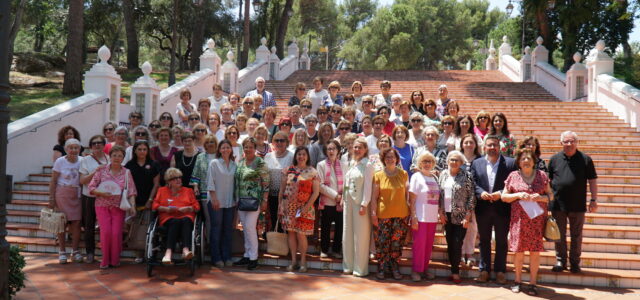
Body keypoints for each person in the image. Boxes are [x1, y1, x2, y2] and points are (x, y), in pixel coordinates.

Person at [501, 149, 553, 295]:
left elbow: (551, 195)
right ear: (519, 161)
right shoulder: (513, 176)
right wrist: (517, 194)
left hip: (536, 220)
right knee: (518, 252)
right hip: (519, 221)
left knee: (535, 252)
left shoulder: (542, 176)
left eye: (529, 158)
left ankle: (533, 283)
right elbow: (504, 197)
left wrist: (540, 197)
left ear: (534, 161)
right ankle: (517, 281)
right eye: (523, 159)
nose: (526, 161)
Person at [548, 131, 598, 274]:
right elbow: (548, 181)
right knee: (559, 234)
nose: (569, 144)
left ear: (577, 142)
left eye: (572, 141)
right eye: (566, 141)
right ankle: (560, 261)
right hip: (558, 204)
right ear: (561, 143)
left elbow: (592, 180)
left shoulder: (586, 159)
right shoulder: (554, 159)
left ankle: (575, 263)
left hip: (578, 204)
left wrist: (593, 199)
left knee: (576, 235)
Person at [469, 135, 517, 284]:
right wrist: (480, 192)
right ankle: (484, 270)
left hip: (502, 208)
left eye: (495, 145)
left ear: (500, 146)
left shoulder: (510, 163)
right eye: (489, 145)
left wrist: (501, 193)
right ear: (484, 147)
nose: (492, 148)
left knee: (502, 240)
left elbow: (514, 182)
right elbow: (473, 182)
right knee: (484, 240)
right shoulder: (476, 163)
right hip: (483, 208)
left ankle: (500, 271)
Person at [88, 145, 137, 269]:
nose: (116, 158)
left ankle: (115, 260)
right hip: (102, 206)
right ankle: (105, 260)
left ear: (123, 158)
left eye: (120, 156)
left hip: (118, 207)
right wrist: (101, 193)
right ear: (110, 156)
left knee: (116, 233)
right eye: (114, 155)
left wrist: (133, 206)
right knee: (106, 232)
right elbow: (91, 188)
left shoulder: (127, 172)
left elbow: (131, 191)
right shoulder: (101, 170)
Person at [279, 146, 320, 272]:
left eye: (303, 154)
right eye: (299, 154)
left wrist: (306, 207)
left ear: (307, 156)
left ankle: (303, 261)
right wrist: (280, 205)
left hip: (303, 208)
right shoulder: (288, 170)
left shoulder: (313, 172)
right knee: (291, 233)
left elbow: (316, 193)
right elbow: (282, 189)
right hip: (289, 207)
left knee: (301, 234)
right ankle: (293, 261)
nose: (301, 157)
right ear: (295, 156)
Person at [371, 148, 410, 280]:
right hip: (383, 215)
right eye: (387, 157)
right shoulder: (378, 175)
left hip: (401, 214)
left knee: (397, 242)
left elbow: (408, 195)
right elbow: (374, 196)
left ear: (397, 159)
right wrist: (373, 213)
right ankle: (382, 266)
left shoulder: (404, 174)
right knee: (382, 242)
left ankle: (394, 266)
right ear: (383, 159)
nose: (390, 159)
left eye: (392, 157)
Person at [438, 151, 475, 284]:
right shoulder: (443, 174)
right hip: (446, 216)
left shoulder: (466, 176)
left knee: (457, 243)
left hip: (461, 216)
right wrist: (441, 213)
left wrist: (468, 215)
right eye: (451, 159)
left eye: (456, 160)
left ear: (461, 162)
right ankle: (454, 270)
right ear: (448, 161)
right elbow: (439, 195)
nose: (453, 162)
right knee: (449, 243)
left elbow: (471, 196)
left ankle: (456, 273)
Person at [233, 138, 270, 270]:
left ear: (255, 148)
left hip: (255, 201)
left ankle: (254, 258)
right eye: (246, 147)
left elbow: (266, 183)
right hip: (242, 201)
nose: (248, 149)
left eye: (250, 147)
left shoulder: (260, 162)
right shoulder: (241, 162)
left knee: (249, 227)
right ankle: (247, 255)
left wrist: (265, 200)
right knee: (245, 228)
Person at [152, 168, 200, 264]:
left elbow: (197, 207)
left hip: (186, 216)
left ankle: (185, 250)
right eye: (174, 178)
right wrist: (166, 209)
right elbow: (154, 205)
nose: (178, 180)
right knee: (175, 221)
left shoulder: (188, 191)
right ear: (169, 181)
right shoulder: (162, 191)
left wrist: (188, 208)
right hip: (168, 218)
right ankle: (168, 252)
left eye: (179, 178)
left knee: (185, 220)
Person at [342, 137, 374, 277]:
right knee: (347, 234)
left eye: (360, 147)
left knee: (360, 236)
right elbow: (346, 183)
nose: (357, 150)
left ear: (365, 149)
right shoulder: (351, 162)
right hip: (348, 202)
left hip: (360, 204)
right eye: (355, 147)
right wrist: (343, 198)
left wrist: (364, 204)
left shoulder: (367, 165)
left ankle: (360, 268)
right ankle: (348, 266)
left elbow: (368, 187)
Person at [124, 140, 160, 262]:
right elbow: (127, 184)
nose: (142, 152)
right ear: (135, 151)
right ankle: (138, 253)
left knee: (147, 228)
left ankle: (149, 252)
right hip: (133, 201)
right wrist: (130, 201)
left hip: (148, 201)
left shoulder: (153, 164)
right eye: (139, 149)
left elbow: (156, 184)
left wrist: (150, 199)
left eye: (144, 149)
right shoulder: (129, 165)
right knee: (135, 227)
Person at [49, 138, 83, 264]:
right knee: (61, 223)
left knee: (77, 223)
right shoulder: (60, 161)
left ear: (79, 149)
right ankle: (62, 251)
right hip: (62, 193)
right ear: (66, 149)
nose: (73, 150)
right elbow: (53, 181)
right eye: (71, 148)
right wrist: (51, 198)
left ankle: (75, 251)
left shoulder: (82, 160)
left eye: (76, 148)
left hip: (77, 194)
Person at [408, 152, 440, 282]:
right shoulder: (416, 176)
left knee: (428, 245)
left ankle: (424, 269)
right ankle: (416, 270)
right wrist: (413, 216)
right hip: (420, 217)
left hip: (432, 217)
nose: (427, 164)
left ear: (433, 164)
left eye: (430, 161)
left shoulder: (434, 178)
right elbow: (412, 198)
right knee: (419, 245)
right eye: (425, 161)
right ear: (420, 163)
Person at [206, 139, 238, 268]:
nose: (225, 150)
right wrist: (214, 198)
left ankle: (227, 257)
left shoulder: (234, 165)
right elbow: (210, 182)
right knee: (216, 230)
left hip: (230, 203)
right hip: (216, 202)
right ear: (219, 150)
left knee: (228, 230)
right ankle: (216, 258)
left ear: (231, 149)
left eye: (227, 147)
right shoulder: (214, 163)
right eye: (223, 147)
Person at [79, 135, 110, 263]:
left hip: (106, 198)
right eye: (94, 143)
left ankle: (106, 253)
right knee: (89, 226)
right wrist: (95, 172)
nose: (97, 145)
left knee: (105, 226)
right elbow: (82, 181)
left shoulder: (109, 158)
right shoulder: (86, 160)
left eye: (100, 143)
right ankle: (90, 253)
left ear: (104, 145)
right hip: (90, 197)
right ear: (91, 146)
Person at [316, 140, 346, 259]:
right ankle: (324, 249)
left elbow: (347, 183)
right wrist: (335, 196)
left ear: (338, 151)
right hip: (328, 201)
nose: (331, 151)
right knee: (325, 227)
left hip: (341, 202)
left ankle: (336, 250)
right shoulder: (321, 165)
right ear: (326, 151)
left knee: (340, 227)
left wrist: (342, 196)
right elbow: (320, 186)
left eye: (333, 148)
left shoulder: (344, 165)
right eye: (329, 149)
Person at [264, 132, 294, 232]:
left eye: (282, 140)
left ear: (287, 142)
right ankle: (275, 244)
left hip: (286, 195)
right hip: (271, 194)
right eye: (277, 140)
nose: (279, 143)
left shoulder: (291, 156)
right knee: (273, 219)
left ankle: (284, 245)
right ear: (273, 142)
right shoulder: (268, 156)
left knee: (283, 221)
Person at [460, 133, 482, 267]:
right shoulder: (457, 157)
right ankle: (461, 253)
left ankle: (469, 252)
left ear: (475, 145)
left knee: (472, 227)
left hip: (475, 197)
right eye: (466, 142)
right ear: (462, 144)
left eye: (471, 142)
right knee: (460, 226)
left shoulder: (480, 159)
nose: (468, 145)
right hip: (459, 198)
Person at [190, 134, 218, 235]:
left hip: (219, 192)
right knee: (208, 218)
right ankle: (209, 242)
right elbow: (196, 172)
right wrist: (195, 186)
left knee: (218, 219)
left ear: (216, 144)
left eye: (212, 142)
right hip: (204, 192)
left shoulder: (220, 156)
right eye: (207, 142)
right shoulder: (200, 156)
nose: (210, 144)